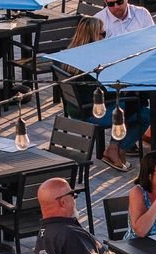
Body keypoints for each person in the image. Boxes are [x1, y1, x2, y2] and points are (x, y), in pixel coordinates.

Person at [63, 18, 149, 170]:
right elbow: (108, 90)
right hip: (94, 112)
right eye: (103, 34)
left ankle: (116, 149)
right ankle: (117, 149)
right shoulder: (94, 62)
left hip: (76, 109)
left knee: (132, 104)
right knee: (142, 112)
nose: (105, 36)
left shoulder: (70, 54)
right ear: (93, 36)